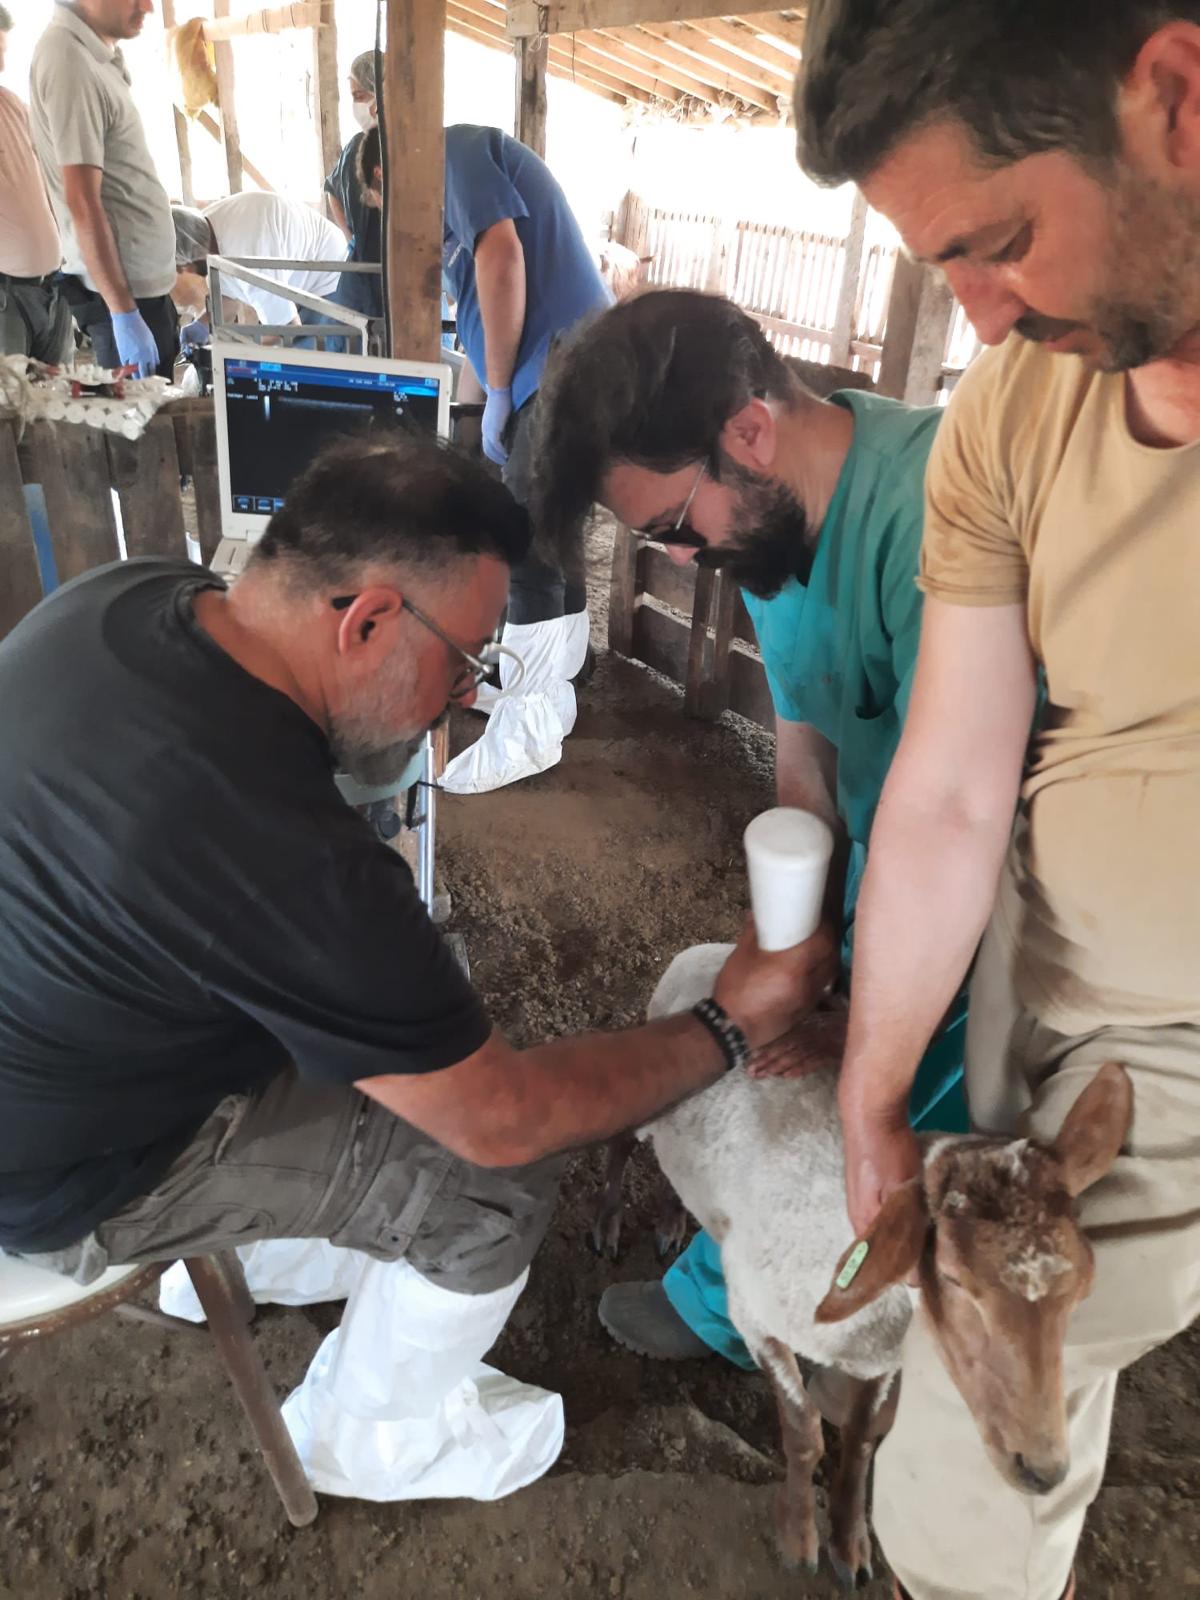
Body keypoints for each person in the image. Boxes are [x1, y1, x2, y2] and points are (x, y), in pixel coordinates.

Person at [0, 433, 823, 1501]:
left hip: (66, 1045)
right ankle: (373, 1434)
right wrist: (726, 1023)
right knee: (492, 1180)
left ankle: (244, 1271)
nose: (463, 697)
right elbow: (504, 1118)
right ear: (370, 618)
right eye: (468, 659)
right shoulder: (286, 860)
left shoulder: (128, 598)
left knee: (392, 1050)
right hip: (65, 1174)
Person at [792, 4, 1200, 1598]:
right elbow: (955, 787)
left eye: (1006, 242)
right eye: (941, 266)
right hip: (1047, 988)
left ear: (1171, 95)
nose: (981, 315)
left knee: (993, 1383)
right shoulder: (1017, 415)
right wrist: (871, 1100)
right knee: (1015, 1370)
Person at [533, 287, 970, 1370]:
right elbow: (806, 759)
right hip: (900, 857)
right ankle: (742, 1285)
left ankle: (842, 1335)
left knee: (924, 1106)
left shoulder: (941, 510)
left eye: (675, 529)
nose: (678, 559)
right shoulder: (770, 540)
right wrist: (791, 945)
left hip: (1007, 879)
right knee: (797, 1051)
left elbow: (975, 823)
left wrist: (869, 1019)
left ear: (748, 434)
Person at [360, 121, 612, 793]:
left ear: (387, 171)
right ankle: (550, 696)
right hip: (552, 369)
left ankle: (527, 734)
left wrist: (500, 392)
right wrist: (475, 407)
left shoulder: (453, 151)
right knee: (551, 536)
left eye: (385, 205)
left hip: (560, 367)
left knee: (527, 545)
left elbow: (502, 261)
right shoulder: (456, 190)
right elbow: (478, 309)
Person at [30, 0, 177, 378]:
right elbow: (81, 199)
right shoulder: (69, 61)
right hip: (121, 297)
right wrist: (123, 312)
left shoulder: (96, 55)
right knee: (143, 429)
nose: (147, 7)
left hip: (137, 290)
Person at [171, 195, 351, 351]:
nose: (181, 271)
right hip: (300, 278)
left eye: (180, 265)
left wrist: (234, 350)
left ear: (192, 254)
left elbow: (286, 329)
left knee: (311, 363)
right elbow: (228, 299)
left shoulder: (248, 253)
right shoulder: (203, 230)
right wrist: (202, 325)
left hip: (329, 278)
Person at [0, 5, 72, 365]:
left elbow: (48, 179)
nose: (0, 65)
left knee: (60, 409)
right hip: (6, 297)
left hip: (52, 287)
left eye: (2, 54)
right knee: (10, 410)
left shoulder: (12, 105)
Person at [323, 48, 382, 322]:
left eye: (361, 96)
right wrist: (350, 237)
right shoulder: (355, 148)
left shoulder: (410, 149)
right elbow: (331, 190)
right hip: (361, 272)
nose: (357, 105)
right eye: (354, 97)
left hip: (401, 273)